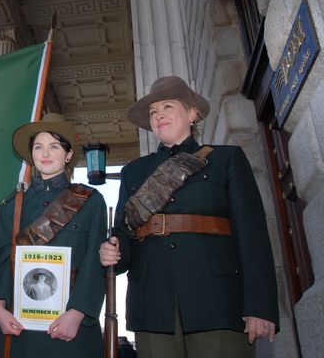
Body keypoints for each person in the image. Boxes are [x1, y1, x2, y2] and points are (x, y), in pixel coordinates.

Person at [99, 76, 279, 358]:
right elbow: (125, 232)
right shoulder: (133, 171)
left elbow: (252, 236)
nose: (158, 116)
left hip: (218, 302)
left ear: (192, 113)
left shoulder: (226, 159)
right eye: (153, 112)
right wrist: (113, 251)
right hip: (153, 304)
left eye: (167, 107)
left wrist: (259, 306)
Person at [0, 113, 107, 357]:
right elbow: (2, 259)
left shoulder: (90, 201)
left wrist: (78, 312)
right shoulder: (12, 204)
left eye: (54, 146)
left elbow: (94, 263)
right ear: (31, 155)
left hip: (70, 325)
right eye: (38, 147)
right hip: (20, 325)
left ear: (67, 155)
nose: (45, 153)